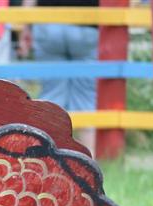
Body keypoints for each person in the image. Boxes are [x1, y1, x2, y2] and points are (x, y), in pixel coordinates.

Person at [18, 0, 99, 154]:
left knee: (52, 96)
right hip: (88, 24)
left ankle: (46, 158)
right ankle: (88, 159)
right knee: (86, 99)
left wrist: (25, 27)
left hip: (48, 25)